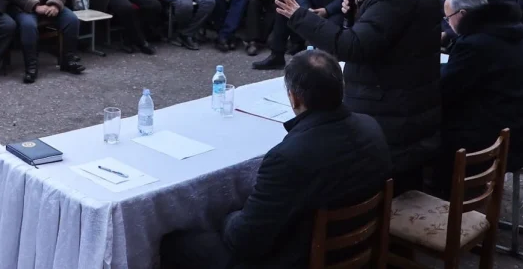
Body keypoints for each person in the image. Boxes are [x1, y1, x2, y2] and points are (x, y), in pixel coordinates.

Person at [159, 50, 392, 269]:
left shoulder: (289, 157)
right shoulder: (371, 127)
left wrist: (227, 216)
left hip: (298, 259)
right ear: (341, 87)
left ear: (294, 98)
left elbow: (244, 240)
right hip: (358, 246)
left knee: (176, 244)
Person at [276, 0, 440, 193]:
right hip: (403, 103)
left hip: (389, 110)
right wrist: (357, 15)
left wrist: (300, 17)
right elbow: (383, 35)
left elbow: (355, 47)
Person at [438, 0, 523, 178]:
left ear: (462, 14)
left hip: (513, 140)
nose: (447, 24)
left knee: (434, 132)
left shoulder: (474, 43)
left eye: (447, 17)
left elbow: (447, 89)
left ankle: (448, 194)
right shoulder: (509, 30)